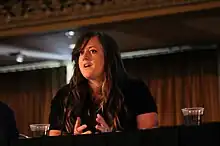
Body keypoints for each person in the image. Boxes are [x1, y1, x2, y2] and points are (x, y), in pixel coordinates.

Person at [49, 32, 158, 136]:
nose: (85, 57)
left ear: (108, 56)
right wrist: (74, 141)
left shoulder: (136, 89)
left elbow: (149, 140)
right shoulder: (64, 95)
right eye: (81, 53)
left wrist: (111, 139)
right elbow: (53, 141)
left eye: (92, 51)